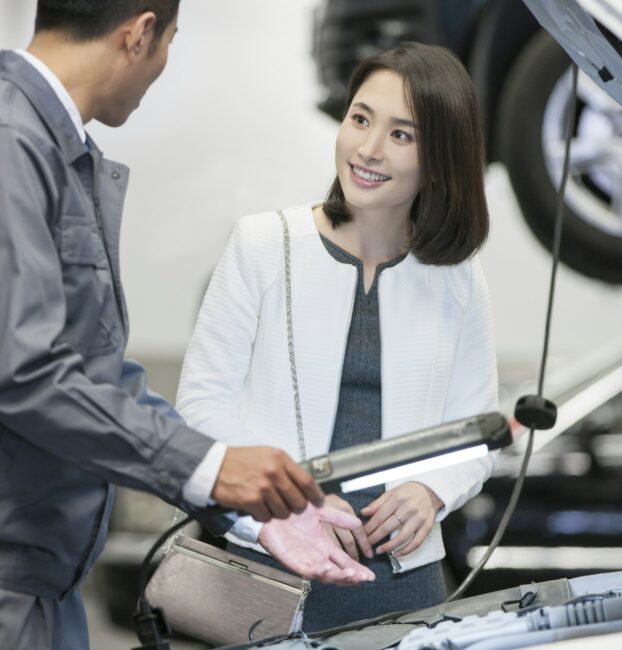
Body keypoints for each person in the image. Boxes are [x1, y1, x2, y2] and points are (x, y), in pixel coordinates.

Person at [0, 2, 373, 649]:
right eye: (170, 42)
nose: (162, 66)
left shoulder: (60, 150)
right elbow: (26, 374)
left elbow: (99, 379)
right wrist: (210, 466)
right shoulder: (11, 140)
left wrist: (251, 509)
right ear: (140, 33)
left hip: (44, 587)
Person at [177, 41, 499, 631]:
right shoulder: (261, 244)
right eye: (360, 119)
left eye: (403, 134)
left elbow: (478, 429)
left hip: (407, 586)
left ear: (443, 155)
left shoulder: (457, 278)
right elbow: (199, 409)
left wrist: (430, 490)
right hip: (268, 569)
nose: (368, 149)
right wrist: (285, 504)